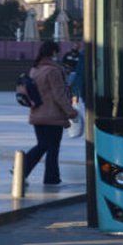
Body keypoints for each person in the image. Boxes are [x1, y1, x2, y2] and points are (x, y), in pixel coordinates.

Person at [23, 40, 78, 186]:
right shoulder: (53, 70)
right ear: (54, 53)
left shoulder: (35, 69)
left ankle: (48, 176)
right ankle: (29, 171)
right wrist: (71, 112)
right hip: (52, 115)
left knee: (44, 145)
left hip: (37, 113)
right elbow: (59, 94)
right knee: (51, 147)